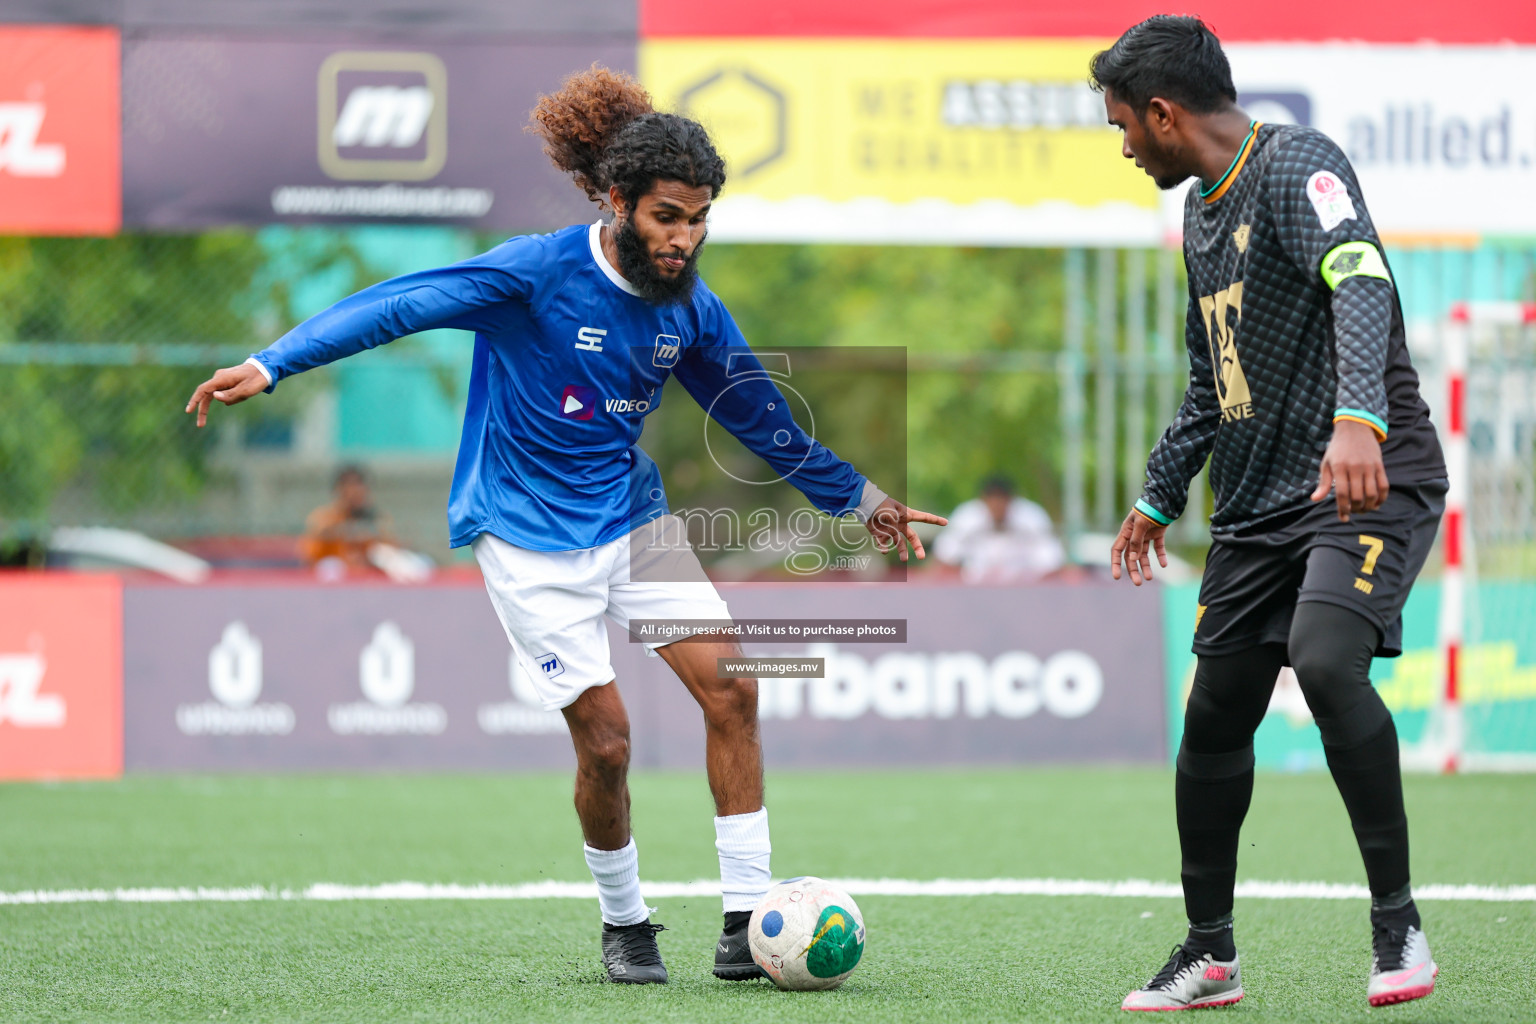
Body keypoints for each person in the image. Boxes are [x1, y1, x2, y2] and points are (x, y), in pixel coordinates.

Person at [185, 66, 944, 985]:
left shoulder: (692, 310)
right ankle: (625, 921)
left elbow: (758, 415)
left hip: (631, 521)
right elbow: (397, 305)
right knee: (609, 742)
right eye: (668, 216)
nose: (686, 237)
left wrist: (860, 501)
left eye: (701, 218)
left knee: (734, 692)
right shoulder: (534, 274)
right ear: (618, 201)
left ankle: (747, 921)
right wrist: (273, 364)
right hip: (526, 536)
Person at [1093, 17, 1447, 1012]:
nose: (1124, 145)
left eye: (1124, 126)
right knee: (1212, 718)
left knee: (1329, 661)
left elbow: (1362, 276)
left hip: (1363, 475)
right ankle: (1211, 955)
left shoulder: (1300, 166)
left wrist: (1361, 419)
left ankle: (1399, 930)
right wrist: (1158, 495)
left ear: (1164, 113)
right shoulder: (1202, 218)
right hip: (1257, 507)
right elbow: (1212, 383)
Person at [931, 476, 1065, 583]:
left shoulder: (1031, 517)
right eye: (992, 500)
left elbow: (1052, 562)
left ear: (1012, 500)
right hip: (973, 595)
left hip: (1023, 593)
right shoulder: (967, 517)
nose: (997, 506)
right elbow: (944, 557)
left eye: (1002, 499)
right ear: (983, 500)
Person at [300, 465, 395, 575]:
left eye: (359, 489)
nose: (355, 494)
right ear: (339, 491)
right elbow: (309, 554)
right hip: (333, 579)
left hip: (366, 578)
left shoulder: (377, 519)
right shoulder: (324, 518)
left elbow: (390, 548)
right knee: (330, 565)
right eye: (350, 489)